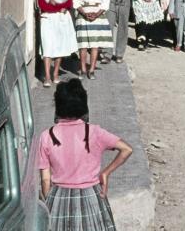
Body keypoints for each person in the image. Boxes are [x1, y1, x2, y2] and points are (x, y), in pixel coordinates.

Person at [38, 79, 132, 230]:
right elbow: (127, 149)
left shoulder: (47, 136)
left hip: (58, 197)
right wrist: (106, 173)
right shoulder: (94, 132)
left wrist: (49, 201)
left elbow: (45, 179)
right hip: (91, 196)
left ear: (58, 106)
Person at [37, 0, 77, 87]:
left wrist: (58, 6)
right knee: (47, 46)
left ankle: (55, 74)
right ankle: (47, 76)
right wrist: (59, 8)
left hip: (61, 20)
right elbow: (43, 5)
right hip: (48, 19)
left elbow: (69, 3)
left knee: (60, 46)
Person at [74, 0, 113, 80]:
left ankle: (91, 70)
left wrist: (97, 14)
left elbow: (106, 2)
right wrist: (84, 13)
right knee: (83, 45)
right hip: (84, 14)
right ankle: (82, 69)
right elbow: (76, 1)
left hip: (98, 14)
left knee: (95, 44)